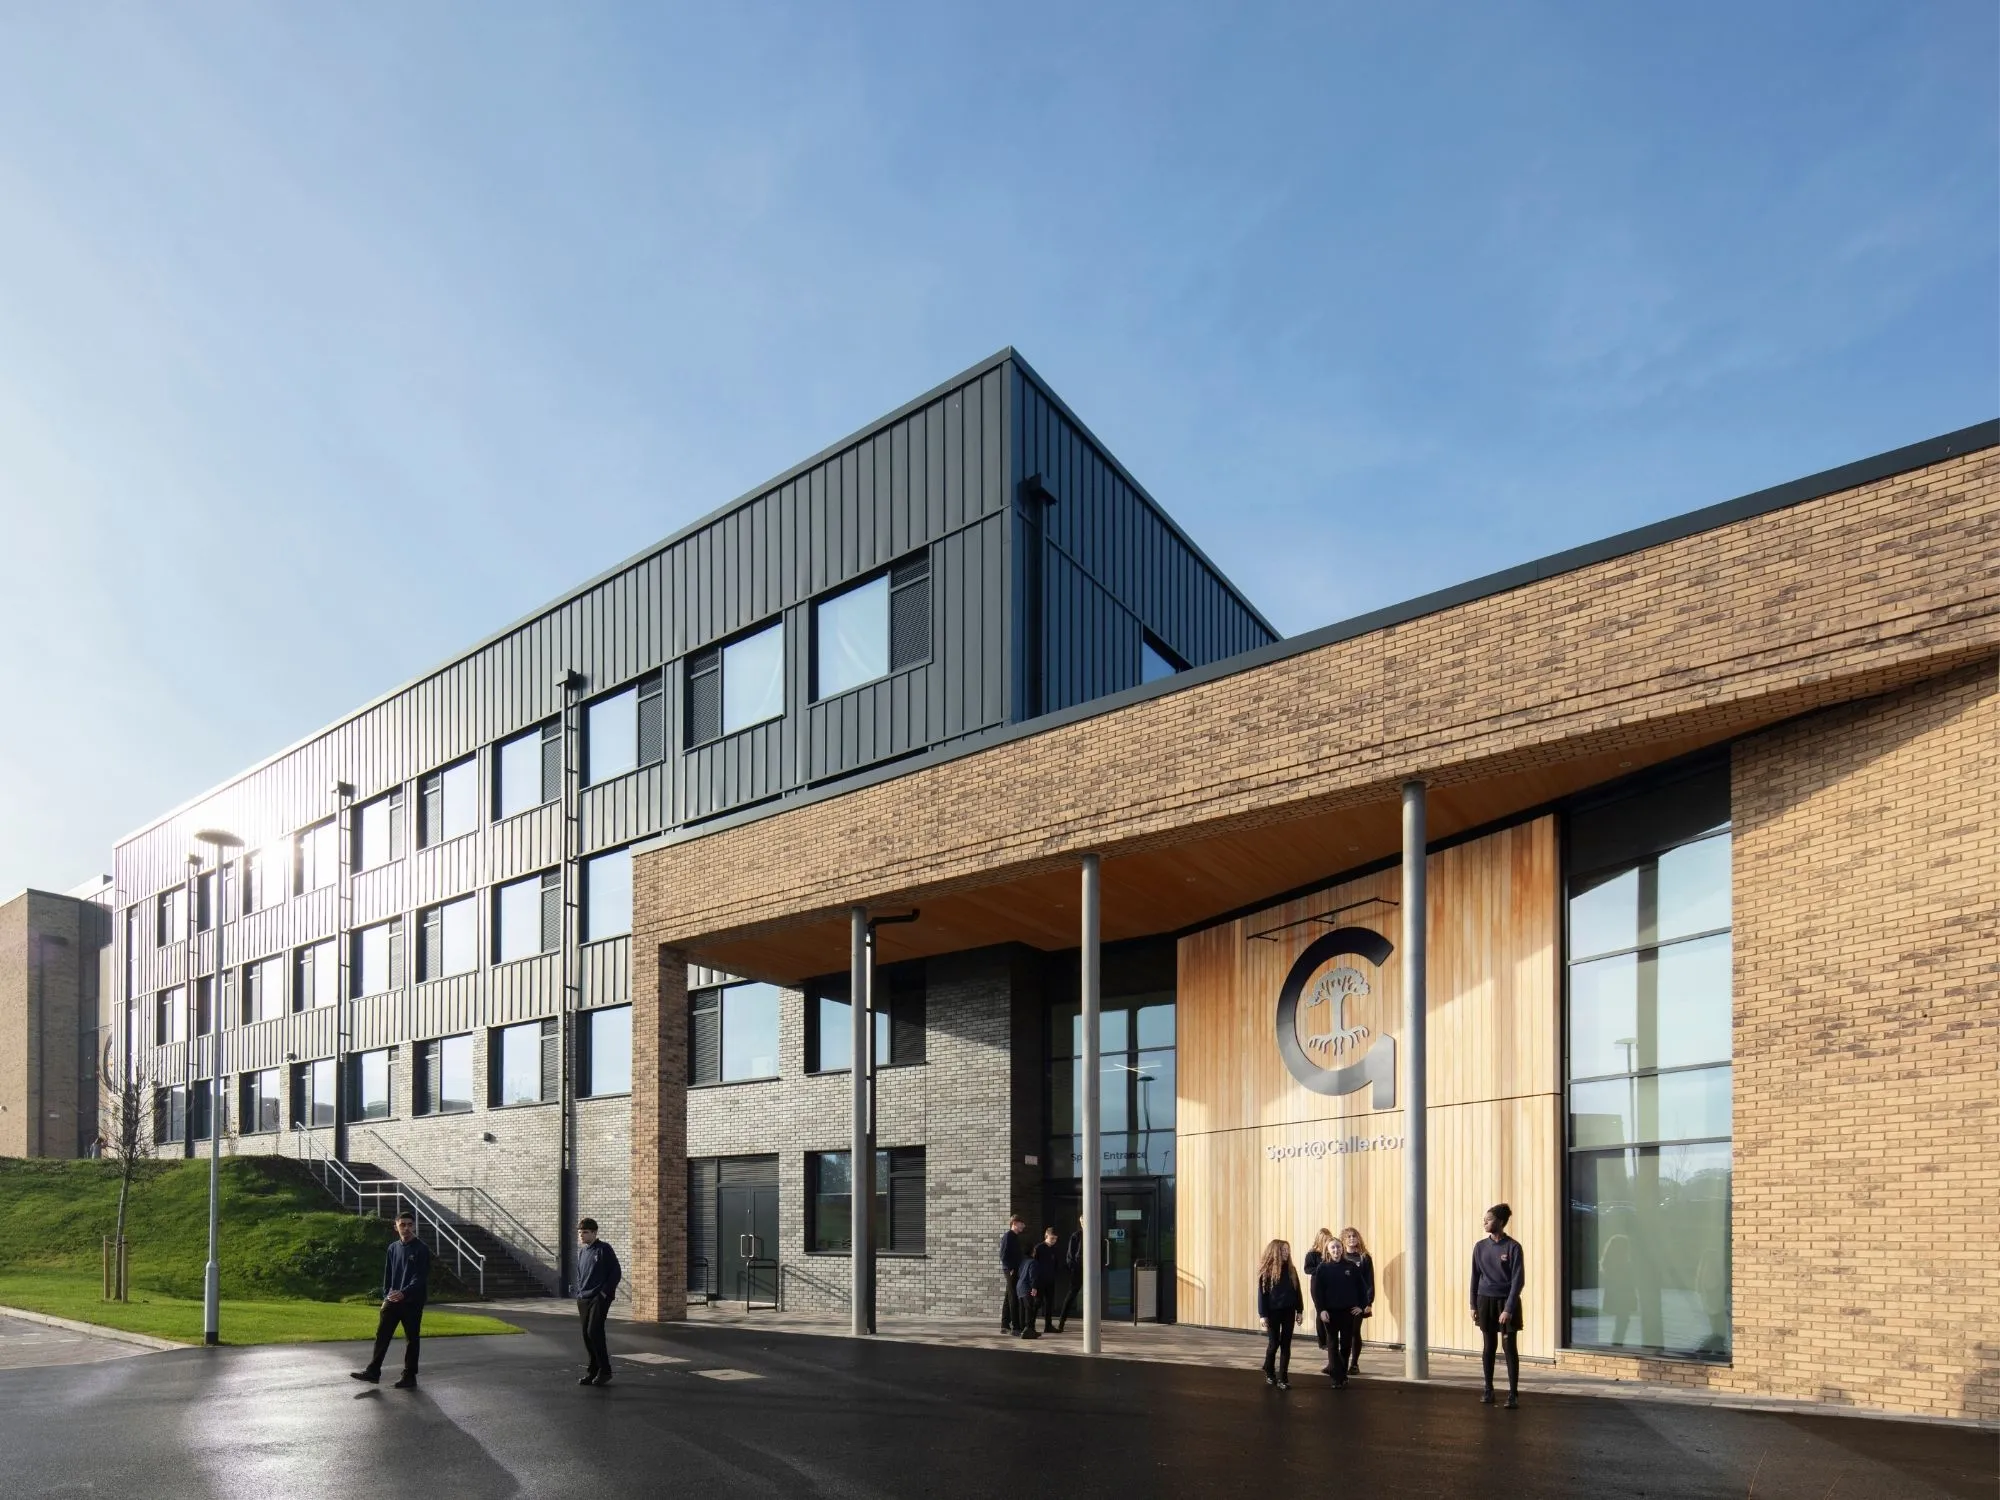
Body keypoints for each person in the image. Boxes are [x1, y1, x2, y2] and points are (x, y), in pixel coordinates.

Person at [351, 1211, 430, 1389]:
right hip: (392, 1300)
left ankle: (409, 1376)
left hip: (412, 1302)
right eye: (403, 1224)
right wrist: (386, 1295)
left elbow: (420, 1277)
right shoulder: (393, 1248)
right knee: (382, 1336)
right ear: (396, 1227)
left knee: (412, 1339)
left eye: (410, 1224)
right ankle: (373, 1371)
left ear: (414, 1226)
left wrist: (404, 1293)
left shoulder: (421, 1249)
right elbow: (388, 1274)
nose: (407, 1228)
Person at [1471, 1202, 1524, 1408]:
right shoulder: (1479, 1247)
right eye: (1484, 1219)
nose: (1484, 1222)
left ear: (1500, 1222)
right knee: (1489, 1346)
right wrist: (1473, 1305)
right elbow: (1475, 1277)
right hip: (1485, 1300)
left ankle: (1513, 1394)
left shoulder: (1513, 1247)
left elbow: (1518, 1280)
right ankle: (1488, 1390)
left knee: (1509, 1347)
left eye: (1489, 1219)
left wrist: (1509, 1308)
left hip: (1506, 1301)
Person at [1309, 1236, 1364, 1388]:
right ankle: (1336, 1378)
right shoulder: (1323, 1268)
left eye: (1338, 1247)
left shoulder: (1351, 1267)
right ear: (1328, 1250)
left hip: (1348, 1312)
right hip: (1330, 1313)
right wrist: (1321, 1310)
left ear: (1342, 1249)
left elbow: (1361, 1287)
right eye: (1332, 1247)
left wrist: (1361, 1305)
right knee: (1332, 1345)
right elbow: (1317, 1292)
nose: (1336, 1250)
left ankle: (1343, 1375)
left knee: (1346, 1345)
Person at [574, 1217, 623, 1387]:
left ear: (594, 1233)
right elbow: (580, 1275)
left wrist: (603, 1293)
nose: (581, 1235)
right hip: (584, 1298)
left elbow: (616, 1273)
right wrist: (580, 1293)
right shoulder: (582, 1252)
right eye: (580, 1232)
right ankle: (593, 1371)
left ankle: (605, 1371)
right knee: (586, 1335)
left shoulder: (604, 1249)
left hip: (599, 1298)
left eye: (585, 1232)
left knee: (594, 1331)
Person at [1256, 1239, 1303, 1389]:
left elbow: (1297, 1291)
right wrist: (1263, 1315)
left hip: (1289, 1311)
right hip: (1273, 1313)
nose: (1286, 1253)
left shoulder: (1291, 1270)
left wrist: (1299, 1311)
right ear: (1275, 1252)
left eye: (1287, 1250)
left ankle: (1283, 1377)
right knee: (1274, 1343)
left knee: (1286, 1344)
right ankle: (1269, 1370)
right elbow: (1262, 1295)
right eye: (1283, 1250)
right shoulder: (1267, 1271)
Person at [1340, 1226, 1375, 1375]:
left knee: (1354, 1332)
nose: (1352, 1239)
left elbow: (1369, 1281)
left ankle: (1354, 1364)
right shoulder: (1340, 1256)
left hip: (1358, 1302)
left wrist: (1368, 1302)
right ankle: (1341, 1363)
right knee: (1343, 1333)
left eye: (1354, 1236)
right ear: (1343, 1240)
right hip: (1341, 1302)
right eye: (1348, 1237)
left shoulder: (1364, 1257)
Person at [1301, 1228, 1336, 1352]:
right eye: (1325, 1240)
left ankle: (1331, 1339)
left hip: (1330, 1286)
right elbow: (1307, 1269)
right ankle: (1322, 1342)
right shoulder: (1312, 1254)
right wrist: (1320, 1270)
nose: (1327, 1242)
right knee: (1320, 1311)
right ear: (1320, 1240)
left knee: (1331, 1310)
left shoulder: (1330, 1253)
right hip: (1317, 1285)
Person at [1016, 1230, 1051, 1339]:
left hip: (1020, 1287)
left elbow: (1019, 1273)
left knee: (1022, 1309)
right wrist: (1034, 1288)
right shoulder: (1033, 1262)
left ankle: (1023, 1329)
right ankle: (1028, 1330)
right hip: (1027, 1288)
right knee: (1030, 1309)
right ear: (1032, 1252)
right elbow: (1033, 1276)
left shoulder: (1023, 1261)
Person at [1030, 1228, 1062, 1334]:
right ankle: (1031, 1326)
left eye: (1055, 1239)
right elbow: (1033, 1265)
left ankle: (1048, 1326)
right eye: (1052, 1238)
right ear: (1046, 1236)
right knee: (1037, 1303)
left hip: (1050, 1280)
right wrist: (1034, 1282)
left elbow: (1056, 1263)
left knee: (1049, 1303)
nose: (1054, 1241)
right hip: (1040, 1280)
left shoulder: (1055, 1249)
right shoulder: (1039, 1248)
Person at [999, 1215, 1027, 1334]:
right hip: (1010, 1270)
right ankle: (1016, 1327)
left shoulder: (1015, 1237)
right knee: (1013, 1297)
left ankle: (1005, 1324)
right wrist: (1010, 1268)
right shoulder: (1008, 1236)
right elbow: (1003, 1255)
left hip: (1014, 1269)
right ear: (1014, 1223)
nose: (1023, 1226)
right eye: (1021, 1223)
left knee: (1008, 1296)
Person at [1057, 1214, 1084, 1331]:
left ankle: (1095, 1323)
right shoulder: (1076, 1236)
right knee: (1071, 1295)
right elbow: (1070, 1255)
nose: (1083, 1223)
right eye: (1081, 1221)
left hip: (1092, 1271)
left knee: (1094, 1297)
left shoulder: (1096, 1235)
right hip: (1077, 1270)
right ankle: (1061, 1322)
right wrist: (1074, 1267)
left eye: (1085, 1221)